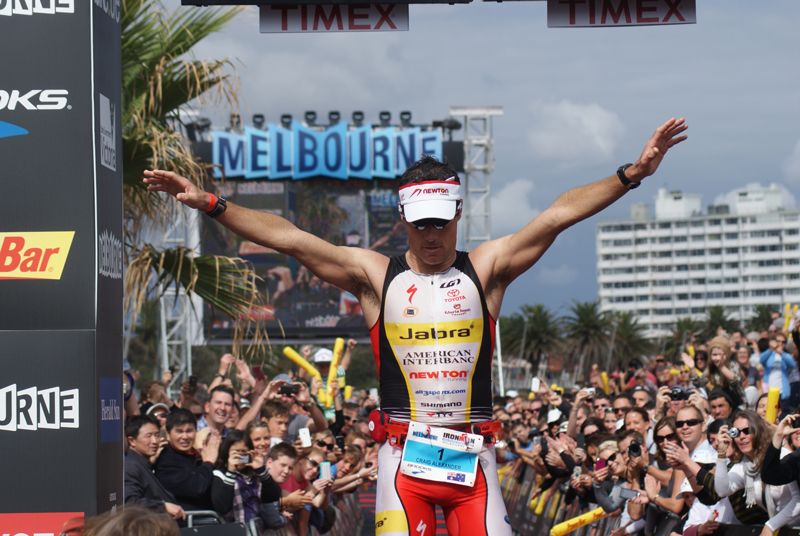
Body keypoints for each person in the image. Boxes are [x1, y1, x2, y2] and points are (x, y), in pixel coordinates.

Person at [144, 117, 687, 535]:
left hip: (474, 460)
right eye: (421, 224)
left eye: (442, 224)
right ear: (403, 219)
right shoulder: (376, 275)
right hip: (403, 460)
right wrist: (211, 204)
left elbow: (557, 214)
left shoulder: (488, 268)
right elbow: (290, 238)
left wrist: (631, 175)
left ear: (458, 218)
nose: (432, 236)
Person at [714, 410, 800, 536]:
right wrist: (721, 455)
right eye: (736, 433)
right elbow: (722, 490)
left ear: (758, 431)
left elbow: (798, 500)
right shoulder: (745, 466)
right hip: (781, 531)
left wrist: (771, 525)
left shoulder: (781, 456)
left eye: (747, 431)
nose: (741, 436)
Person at [154, 408, 219, 511]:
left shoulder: (198, 454)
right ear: (168, 434)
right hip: (187, 523)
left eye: (189, 431)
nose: (185, 437)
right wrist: (208, 463)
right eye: (179, 431)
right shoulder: (165, 460)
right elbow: (196, 488)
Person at [124, 415, 186, 521]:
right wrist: (163, 506)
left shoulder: (142, 463)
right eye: (148, 436)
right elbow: (131, 503)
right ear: (132, 441)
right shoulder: (130, 466)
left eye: (157, 435)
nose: (154, 441)